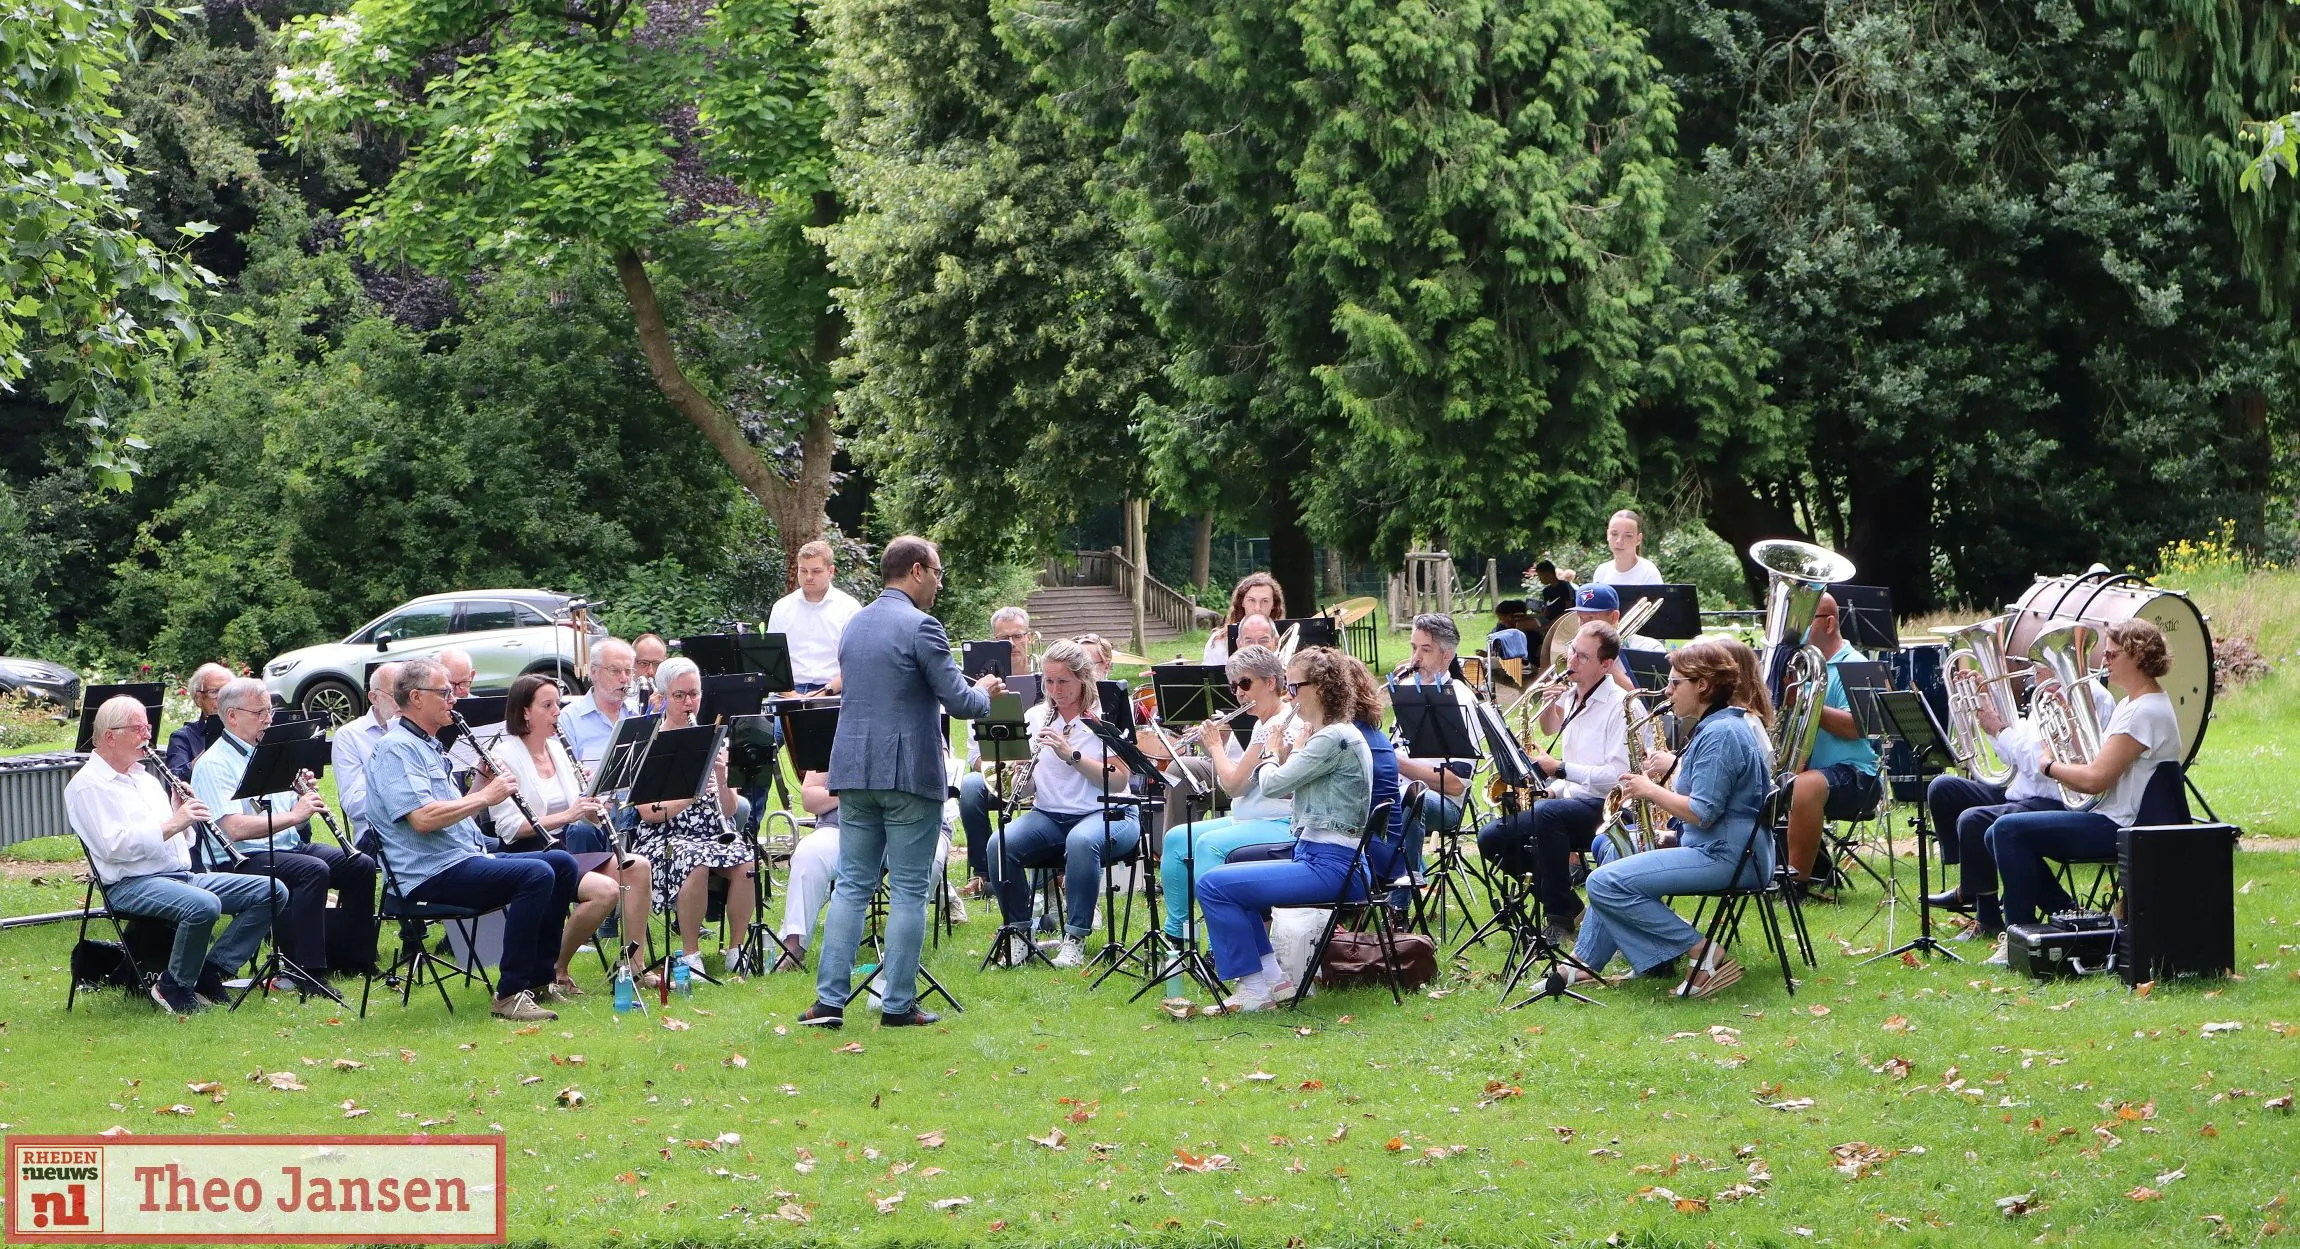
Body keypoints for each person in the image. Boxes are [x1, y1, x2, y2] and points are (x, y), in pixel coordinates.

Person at [800, 535, 1002, 1029]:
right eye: (936, 571)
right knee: (910, 890)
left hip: (852, 771)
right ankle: (897, 1004)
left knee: (850, 886)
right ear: (915, 570)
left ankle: (828, 1004)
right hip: (907, 774)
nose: (938, 581)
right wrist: (984, 691)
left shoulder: (854, 626)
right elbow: (959, 703)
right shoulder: (923, 627)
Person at [365, 658, 581, 1022]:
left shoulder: (428, 745)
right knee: (535, 875)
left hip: (461, 856)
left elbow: (454, 809)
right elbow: (422, 819)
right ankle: (511, 992)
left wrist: (481, 784)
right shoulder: (396, 749)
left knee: (560, 862)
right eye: (445, 692)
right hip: (427, 875)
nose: (454, 700)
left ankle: (541, 978)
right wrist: (485, 797)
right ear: (416, 698)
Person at [1554, 641, 1771, 998]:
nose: (1667, 692)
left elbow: (1703, 812)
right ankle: (1586, 962)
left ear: (1702, 685)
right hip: (1721, 848)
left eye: (1675, 683)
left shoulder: (1721, 734)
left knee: (1604, 883)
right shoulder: (1717, 726)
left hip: (1728, 857)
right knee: (1614, 850)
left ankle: (1703, 953)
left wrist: (1648, 790)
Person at [67, 695, 284, 1013]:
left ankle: (210, 971)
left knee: (272, 891)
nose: (147, 735)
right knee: (204, 905)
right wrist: (173, 824)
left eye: (148, 726)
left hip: (177, 876)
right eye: (139, 728)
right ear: (110, 735)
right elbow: (113, 848)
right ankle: (174, 987)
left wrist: (178, 811)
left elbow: (181, 841)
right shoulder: (87, 786)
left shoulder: (144, 778)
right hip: (130, 884)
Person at [1983, 620, 2183, 959]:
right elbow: (2097, 759)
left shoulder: (2144, 712)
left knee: (2006, 830)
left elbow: (2095, 780)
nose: (2104, 660)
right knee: (1996, 834)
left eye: (2111, 653)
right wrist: (2068, 724)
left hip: (2121, 825)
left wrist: (2048, 765)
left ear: (2136, 656)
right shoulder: (2131, 705)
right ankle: (2070, 916)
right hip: (2112, 816)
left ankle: (2018, 937)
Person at [1195, 647, 1375, 1011]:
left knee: (1213, 885)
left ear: (1321, 689)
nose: (1289, 696)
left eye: (1294, 688)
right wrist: (1295, 749)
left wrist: (1271, 750)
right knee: (1230, 881)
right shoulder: (1330, 735)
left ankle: (1253, 990)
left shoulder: (1333, 738)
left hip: (1333, 866)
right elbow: (1295, 786)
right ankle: (1274, 981)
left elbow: (1273, 785)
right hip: (1320, 856)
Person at [191, 677, 378, 984]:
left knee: (359, 865)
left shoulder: (271, 753)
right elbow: (232, 829)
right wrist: (294, 815)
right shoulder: (214, 764)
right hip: (242, 857)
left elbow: (296, 823)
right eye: (260, 713)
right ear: (233, 716)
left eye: (269, 711)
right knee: (312, 870)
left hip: (285, 847)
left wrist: (303, 802)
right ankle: (308, 970)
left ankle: (355, 960)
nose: (268, 720)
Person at [488, 674, 655, 990]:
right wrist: (570, 813)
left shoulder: (557, 749)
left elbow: (580, 814)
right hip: (527, 854)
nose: (556, 713)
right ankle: (555, 968)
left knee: (638, 868)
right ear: (525, 712)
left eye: (558, 705)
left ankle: (634, 967)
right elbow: (509, 829)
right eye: (547, 705)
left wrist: (594, 805)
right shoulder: (505, 755)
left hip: (561, 850)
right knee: (604, 891)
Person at [985, 639, 1141, 968]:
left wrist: (1072, 756)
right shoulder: (1035, 716)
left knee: (1082, 841)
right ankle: (1019, 934)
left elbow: (1119, 780)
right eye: (1049, 681)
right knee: (1000, 843)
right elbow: (1026, 789)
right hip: (1050, 815)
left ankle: (1075, 938)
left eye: (1063, 681)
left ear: (1084, 678)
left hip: (1110, 813)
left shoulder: (1104, 714)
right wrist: (1020, 773)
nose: (1055, 690)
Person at [1477, 621, 1638, 938]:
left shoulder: (1620, 705)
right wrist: (1552, 789)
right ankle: (1567, 903)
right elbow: (1554, 734)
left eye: (1583, 657)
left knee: (1548, 817)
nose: (1571, 660)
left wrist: (1560, 769)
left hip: (1611, 809)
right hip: (1571, 802)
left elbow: (1618, 779)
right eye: (1572, 650)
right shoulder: (1573, 695)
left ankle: (1559, 916)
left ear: (1606, 665)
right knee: (1492, 837)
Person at [1919, 669, 2098, 935]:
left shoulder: (2082, 696)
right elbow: (2011, 758)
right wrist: (1987, 711)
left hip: (2055, 799)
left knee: (1974, 820)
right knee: (1943, 788)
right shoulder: (2043, 695)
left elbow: (2040, 765)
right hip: (2021, 793)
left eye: (2040, 661)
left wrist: (2000, 729)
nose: (2034, 669)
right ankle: (1972, 886)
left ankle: (1979, 904)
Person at [1156, 645, 1298, 950]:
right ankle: (1177, 935)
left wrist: (1215, 747)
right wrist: (1217, 745)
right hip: (1251, 816)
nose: (1239, 694)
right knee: (1178, 838)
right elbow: (1240, 785)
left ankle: (1224, 944)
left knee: (1209, 845)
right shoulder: (1262, 722)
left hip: (1279, 821)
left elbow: (1234, 785)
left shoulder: (1277, 724)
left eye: (1245, 684)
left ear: (1270, 682)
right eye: (1234, 687)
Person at [634, 656, 756, 979]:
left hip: (711, 831)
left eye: (695, 694)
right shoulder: (649, 743)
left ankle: (735, 950)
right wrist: (691, 794)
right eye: (680, 696)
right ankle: (690, 955)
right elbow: (648, 813)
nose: (689, 702)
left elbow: (730, 811)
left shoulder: (712, 738)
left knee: (746, 863)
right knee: (696, 863)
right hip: (664, 838)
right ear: (661, 698)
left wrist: (722, 775)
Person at [776, 769, 953, 969]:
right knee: (808, 854)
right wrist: (857, 795)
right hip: (842, 825)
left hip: (912, 823)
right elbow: (810, 798)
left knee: (930, 859)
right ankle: (794, 946)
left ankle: (899, 957)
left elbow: (940, 783)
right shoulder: (838, 737)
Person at [1783, 593, 1883, 884]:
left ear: (1829, 624)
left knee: (1802, 787)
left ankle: (1796, 883)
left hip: (1856, 775)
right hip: (1813, 772)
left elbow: (1857, 727)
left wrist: (1804, 702)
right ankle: (1816, 872)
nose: (1797, 631)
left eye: (1805, 622)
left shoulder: (1856, 664)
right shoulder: (1803, 666)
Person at [956, 607, 1038, 898]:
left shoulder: (1048, 680)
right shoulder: (982, 688)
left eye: (1018, 636)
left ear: (1028, 637)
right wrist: (998, 768)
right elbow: (973, 755)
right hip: (998, 769)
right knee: (970, 785)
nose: (1013, 644)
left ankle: (1049, 876)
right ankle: (983, 874)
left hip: (1044, 772)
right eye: (1004, 639)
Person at [1389, 614, 1477, 884]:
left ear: (1447, 655)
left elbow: (1456, 784)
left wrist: (1400, 765)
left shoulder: (1462, 699)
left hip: (1443, 803)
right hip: (1399, 791)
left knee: (1412, 798)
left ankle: (1400, 905)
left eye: (1425, 650)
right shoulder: (1404, 690)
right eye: (1413, 648)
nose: (1415, 658)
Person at [768, 540, 864, 696]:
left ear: (831, 571)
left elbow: (858, 662)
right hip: (788, 692)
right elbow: (771, 661)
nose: (809, 577)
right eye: (803, 571)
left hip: (834, 693)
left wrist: (826, 692)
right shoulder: (781, 608)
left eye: (816, 571)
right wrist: (791, 695)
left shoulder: (849, 608)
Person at [333, 662, 403, 852]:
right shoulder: (350, 735)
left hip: (427, 821)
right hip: (377, 832)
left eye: (409, 693)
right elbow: (355, 805)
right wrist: (407, 800)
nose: (404, 702)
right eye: (396, 695)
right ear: (374, 698)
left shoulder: (421, 727)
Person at [560, 639, 638, 772]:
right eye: (615, 670)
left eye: (628, 671)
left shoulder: (639, 711)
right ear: (594, 672)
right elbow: (565, 774)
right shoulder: (569, 718)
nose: (624, 679)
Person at [165, 663, 233, 781]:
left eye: (227, 691)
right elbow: (174, 781)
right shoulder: (183, 737)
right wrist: (205, 756)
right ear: (198, 698)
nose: (222, 697)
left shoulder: (243, 730)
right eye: (214, 692)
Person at [1201, 573, 1285, 665]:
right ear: (1242, 602)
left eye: (1265, 601)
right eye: (1251, 600)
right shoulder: (1219, 642)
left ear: (1274, 604)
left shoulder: (1287, 639)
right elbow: (1210, 675)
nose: (1257, 607)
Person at [1590, 509, 1662, 587]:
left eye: (1628, 536)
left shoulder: (1649, 573)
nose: (1619, 541)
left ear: (1638, 539)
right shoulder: (1601, 572)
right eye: (1614, 534)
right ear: (1608, 535)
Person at [1532, 561, 1577, 629]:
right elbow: (1546, 613)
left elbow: (1569, 611)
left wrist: (1551, 624)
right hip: (1550, 620)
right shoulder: (1546, 591)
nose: (1539, 579)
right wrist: (1527, 616)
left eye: (1540, 575)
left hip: (1564, 621)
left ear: (1548, 574)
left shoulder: (1564, 587)